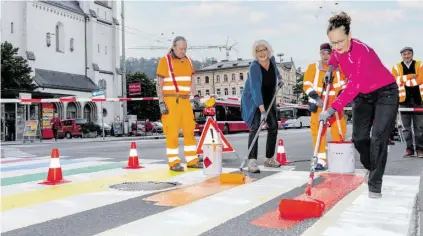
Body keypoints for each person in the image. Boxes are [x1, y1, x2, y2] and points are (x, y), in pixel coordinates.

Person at [319, 12, 399, 198]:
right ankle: (372, 166)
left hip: (385, 92)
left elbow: (353, 87)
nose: (337, 47)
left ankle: (375, 184)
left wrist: (332, 109)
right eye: (333, 43)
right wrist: (331, 68)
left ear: (349, 35)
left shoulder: (362, 52)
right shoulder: (337, 51)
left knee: (378, 136)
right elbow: (335, 58)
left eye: (340, 42)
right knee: (359, 138)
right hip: (363, 96)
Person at [155, 36, 202, 172]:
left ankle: (192, 160)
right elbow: (159, 83)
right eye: (181, 49)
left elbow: (191, 80)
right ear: (174, 47)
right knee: (172, 132)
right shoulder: (165, 61)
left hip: (185, 101)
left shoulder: (188, 61)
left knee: (189, 130)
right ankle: (174, 162)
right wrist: (161, 102)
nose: (183, 51)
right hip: (171, 101)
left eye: (185, 48)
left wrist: (196, 96)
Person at [241, 40, 284, 173]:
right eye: (258, 51)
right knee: (256, 127)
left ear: (268, 50)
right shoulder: (254, 67)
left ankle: (269, 158)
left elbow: (275, 71)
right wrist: (262, 111)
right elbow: (255, 90)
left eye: (263, 49)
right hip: (254, 100)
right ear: (255, 53)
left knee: (273, 127)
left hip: (269, 98)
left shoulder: (272, 60)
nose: (261, 53)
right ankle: (252, 161)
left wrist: (280, 78)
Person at [303, 43, 348, 170]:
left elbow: (345, 83)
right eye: (323, 53)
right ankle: (320, 160)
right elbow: (306, 85)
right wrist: (316, 98)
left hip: (335, 105)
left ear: (332, 54)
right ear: (320, 54)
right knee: (318, 132)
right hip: (318, 105)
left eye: (329, 53)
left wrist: (341, 94)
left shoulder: (339, 68)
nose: (326, 56)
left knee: (339, 130)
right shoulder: (313, 68)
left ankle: (339, 159)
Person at [391, 47, 423, 157]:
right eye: (404, 54)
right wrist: (410, 76)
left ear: (412, 54)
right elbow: (395, 80)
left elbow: (421, 79)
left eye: (409, 54)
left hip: (418, 100)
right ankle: (409, 149)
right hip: (403, 101)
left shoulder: (419, 65)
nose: (407, 56)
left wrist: (404, 81)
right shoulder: (396, 67)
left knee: (419, 127)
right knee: (406, 128)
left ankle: (420, 149)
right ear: (401, 56)